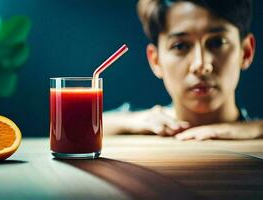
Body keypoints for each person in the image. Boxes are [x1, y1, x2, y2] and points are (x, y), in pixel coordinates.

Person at [103, 0, 263, 140]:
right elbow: (79, 124)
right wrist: (130, 121)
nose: (201, 65)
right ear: (155, 60)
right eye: (180, 46)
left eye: (217, 42)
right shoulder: (141, 125)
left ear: (246, 51)